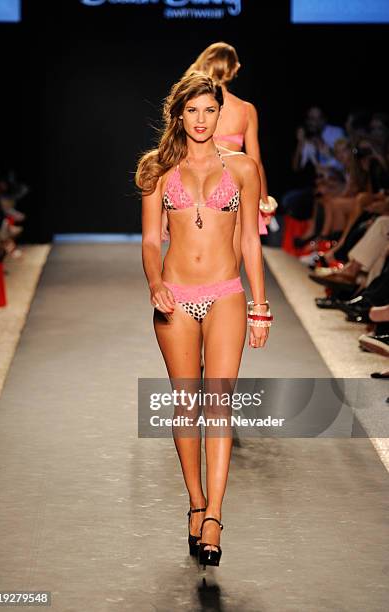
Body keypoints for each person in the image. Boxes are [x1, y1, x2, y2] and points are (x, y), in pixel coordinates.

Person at [136, 72, 271, 568]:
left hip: (226, 294)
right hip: (174, 296)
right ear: (178, 114)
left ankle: (214, 515)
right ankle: (195, 501)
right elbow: (152, 240)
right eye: (191, 110)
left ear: (220, 114)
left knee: (218, 403)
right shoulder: (156, 168)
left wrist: (261, 305)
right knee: (185, 405)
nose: (200, 119)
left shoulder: (243, 169)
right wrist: (155, 283)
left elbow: (251, 242)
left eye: (209, 110)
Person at [162, 42, 274, 264]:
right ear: (232, 68)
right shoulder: (245, 110)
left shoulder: (192, 105)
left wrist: (166, 208)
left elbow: (175, 152)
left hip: (193, 189)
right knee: (229, 271)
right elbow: (255, 161)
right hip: (233, 192)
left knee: (193, 265)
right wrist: (263, 203)